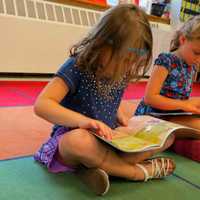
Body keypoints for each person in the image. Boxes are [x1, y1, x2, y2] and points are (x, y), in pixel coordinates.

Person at [34, 4, 175, 196]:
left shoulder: (121, 72)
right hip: (72, 141)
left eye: (133, 63)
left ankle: (96, 168)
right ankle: (133, 172)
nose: (128, 68)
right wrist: (82, 121)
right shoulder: (77, 66)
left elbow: (106, 100)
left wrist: (122, 118)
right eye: (124, 60)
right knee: (78, 142)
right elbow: (42, 105)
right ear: (102, 44)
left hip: (107, 140)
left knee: (167, 137)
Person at [135, 15, 200, 132]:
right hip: (152, 117)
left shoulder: (191, 65)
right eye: (196, 53)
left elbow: (181, 98)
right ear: (183, 40)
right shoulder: (166, 60)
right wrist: (183, 104)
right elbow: (149, 98)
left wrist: (190, 105)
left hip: (173, 115)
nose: (199, 59)